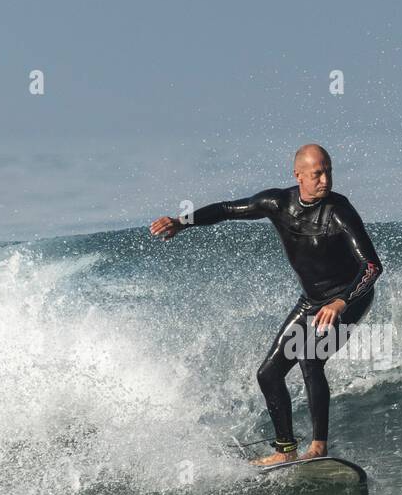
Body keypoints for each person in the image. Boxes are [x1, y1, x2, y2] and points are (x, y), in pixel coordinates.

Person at [150, 144, 383, 466]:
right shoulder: (277, 203)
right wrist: (183, 221)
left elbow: (371, 266)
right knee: (268, 375)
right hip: (311, 302)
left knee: (310, 358)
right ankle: (284, 449)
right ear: (298, 175)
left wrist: (342, 302)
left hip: (350, 298)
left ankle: (318, 446)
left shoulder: (339, 210)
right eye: (317, 174)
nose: (325, 180)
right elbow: (228, 210)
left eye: (328, 171)